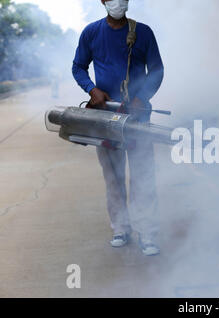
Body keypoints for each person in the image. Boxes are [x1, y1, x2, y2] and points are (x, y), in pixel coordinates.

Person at [72, 0, 164, 256]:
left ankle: (147, 232)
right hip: (107, 119)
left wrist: (142, 97)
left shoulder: (143, 32)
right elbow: (78, 66)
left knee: (143, 176)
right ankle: (121, 228)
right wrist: (92, 90)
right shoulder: (91, 32)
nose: (118, 1)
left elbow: (157, 70)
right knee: (113, 177)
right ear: (103, 1)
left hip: (137, 118)